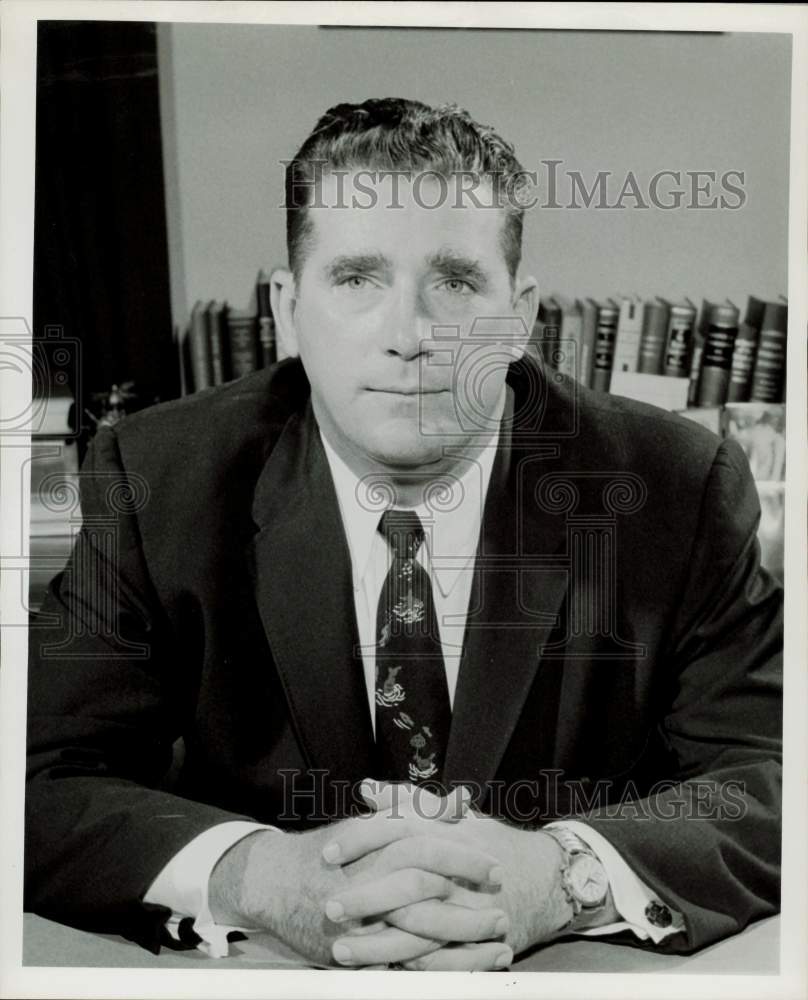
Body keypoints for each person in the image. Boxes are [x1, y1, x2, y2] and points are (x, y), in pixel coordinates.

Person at [25, 98, 782, 972]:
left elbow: (769, 775)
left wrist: (558, 874)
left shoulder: (675, 486)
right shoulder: (158, 480)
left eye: (456, 283)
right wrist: (256, 874)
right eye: (356, 279)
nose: (411, 336)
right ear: (286, 305)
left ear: (522, 314)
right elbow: (40, 780)